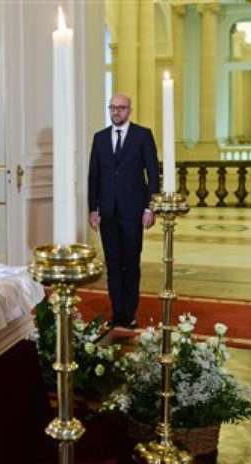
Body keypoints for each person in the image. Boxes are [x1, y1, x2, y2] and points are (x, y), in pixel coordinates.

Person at [87, 94, 159, 329]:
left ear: (129, 110)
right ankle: (118, 313)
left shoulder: (142, 135)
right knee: (113, 263)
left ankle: (130, 312)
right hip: (107, 212)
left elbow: (152, 175)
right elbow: (94, 176)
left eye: (121, 108)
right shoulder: (99, 138)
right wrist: (92, 208)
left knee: (130, 262)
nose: (116, 112)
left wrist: (150, 207)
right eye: (112, 108)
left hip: (133, 211)